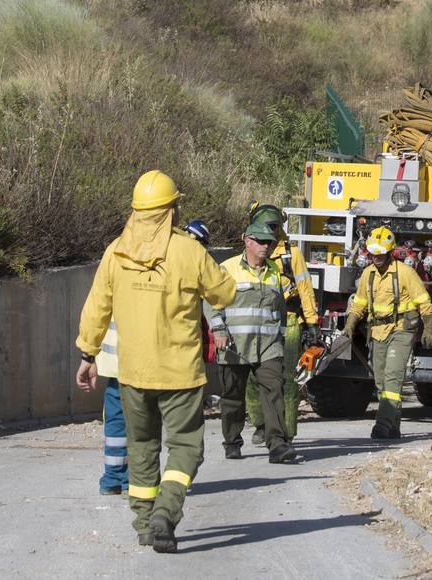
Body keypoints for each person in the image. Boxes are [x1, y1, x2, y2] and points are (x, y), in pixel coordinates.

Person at [76, 170, 236, 553]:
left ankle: (145, 523)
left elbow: (97, 306)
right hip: (180, 374)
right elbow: (225, 293)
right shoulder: (189, 251)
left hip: (133, 373)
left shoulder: (116, 252)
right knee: (186, 447)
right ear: (171, 210)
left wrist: (87, 353)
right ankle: (166, 510)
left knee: (141, 446)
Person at [212, 212, 301, 464]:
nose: (266, 246)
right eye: (261, 241)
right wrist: (219, 331)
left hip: (268, 346)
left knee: (274, 391)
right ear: (247, 241)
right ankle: (232, 441)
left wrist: (280, 337)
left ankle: (277, 445)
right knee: (233, 397)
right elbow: (213, 303)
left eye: (269, 242)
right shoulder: (227, 268)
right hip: (235, 345)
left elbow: (280, 309)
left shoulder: (274, 272)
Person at [344, 226, 432, 439]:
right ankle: (394, 426)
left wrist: (430, 328)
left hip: (401, 330)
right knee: (380, 381)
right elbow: (359, 304)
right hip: (377, 331)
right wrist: (350, 324)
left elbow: (424, 301)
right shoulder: (367, 274)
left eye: (381, 253)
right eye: (373, 253)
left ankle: (383, 424)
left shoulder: (405, 273)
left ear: (390, 252)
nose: (376, 257)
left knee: (393, 377)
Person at [242, 203, 319, 448]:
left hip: (289, 323)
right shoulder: (250, 251)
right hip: (257, 323)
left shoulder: (291, 254)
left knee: (287, 380)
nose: (269, 235)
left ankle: (286, 432)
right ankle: (260, 424)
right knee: (252, 378)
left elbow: (305, 289)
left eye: (273, 228)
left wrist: (312, 322)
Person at [95, 317, 128, 496]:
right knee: (142, 423)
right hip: (142, 364)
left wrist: (87, 356)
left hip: (114, 365)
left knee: (115, 423)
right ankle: (132, 479)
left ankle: (112, 478)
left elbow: (95, 316)